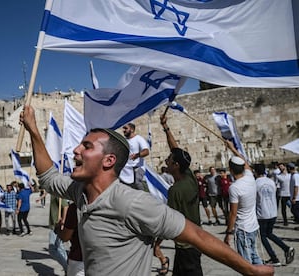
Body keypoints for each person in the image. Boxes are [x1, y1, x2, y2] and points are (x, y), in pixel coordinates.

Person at [20, 105, 273, 276]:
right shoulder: (80, 192)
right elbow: (48, 177)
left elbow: (197, 235)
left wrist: (249, 270)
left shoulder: (132, 203)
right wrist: (33, 130)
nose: (76, 150)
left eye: (86, 146)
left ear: (108, 161)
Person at [161, 114, 202, 275]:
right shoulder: (190, 178)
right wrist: (166, 127)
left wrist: (157, 242)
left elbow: (170, 221)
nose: (166, 161)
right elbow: (175, 150)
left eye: (169, 160)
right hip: (195, 240)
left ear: (176, 165)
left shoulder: (175, 190)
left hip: (186, 245)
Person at [224, 141, 262, 265]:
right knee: (254, 255)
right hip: (253, 226)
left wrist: (228, 233)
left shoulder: (234, 188)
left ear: (231, 170)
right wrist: (233, 148)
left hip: (243, 229)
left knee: (246, 263)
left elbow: (233, 213)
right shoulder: (250, 177)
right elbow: (244, 162)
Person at [255, 163, 295, 266]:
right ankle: (286, 248)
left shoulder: (255, 183)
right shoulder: (271, 181)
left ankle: (274, 258)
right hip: (272, 212)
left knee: (263, 236)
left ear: (255, 172)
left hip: (262, 213)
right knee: (269, 234)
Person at [55, 203, 84, 276]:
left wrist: (58, 228)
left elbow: (65, 237)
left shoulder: (75, 208)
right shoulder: (112, 204)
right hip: (104, 260)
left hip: (78, 260)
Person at [119, 122, 150, 190]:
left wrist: (137, 155)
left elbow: (146, 151)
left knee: (137, 182)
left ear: (132, 129)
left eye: (126, 128)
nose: (124, 130)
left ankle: (144, 197)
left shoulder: (139, 139)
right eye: (123, 128)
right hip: (127, 169)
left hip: (138, 167)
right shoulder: (124, 141)